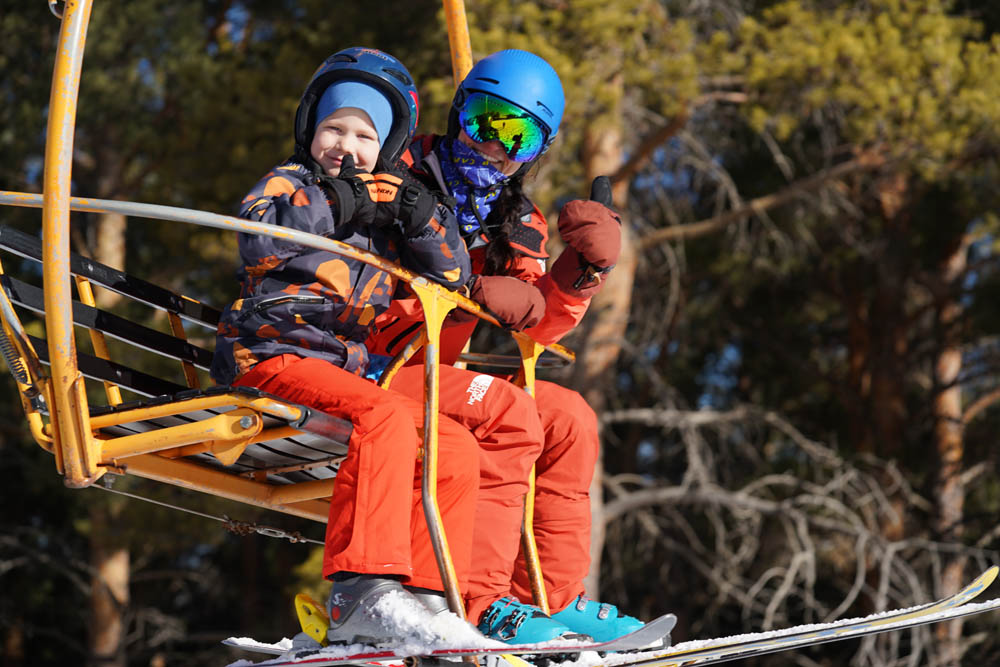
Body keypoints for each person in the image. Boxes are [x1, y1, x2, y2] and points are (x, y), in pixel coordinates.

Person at [367, 49, 650, 644]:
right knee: (506, 411)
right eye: (483, 121)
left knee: (570, 417)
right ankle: (478, 600)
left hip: (433, 375)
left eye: (516, 136)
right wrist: (460, 281)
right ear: (457, 111)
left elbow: (541, 326)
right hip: (369, 364)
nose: (493, 147)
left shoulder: (514, 218)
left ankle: (549, 595)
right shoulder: (397, 168)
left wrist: (581, 271)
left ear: (535, 152)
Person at [210, 47, 480, 647]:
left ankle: (428, 598)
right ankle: (362, 590)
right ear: (311, 131)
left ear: (384, 148)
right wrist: (336, 202)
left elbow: (454, 279)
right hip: (270, 357)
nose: (345, 144)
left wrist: (420, 218)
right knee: (383, 415)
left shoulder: (384, 217)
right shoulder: (292, 183)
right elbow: (258, 239)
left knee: (453, 444)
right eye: (334, 127)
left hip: (340, 375)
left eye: (364, 135)